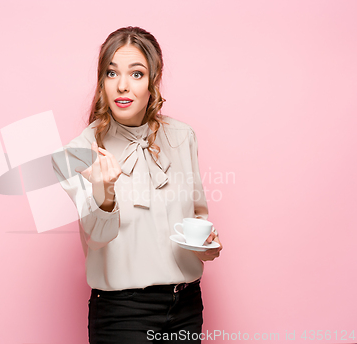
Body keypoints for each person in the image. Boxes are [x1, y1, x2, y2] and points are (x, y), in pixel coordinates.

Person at [51, 26, 223, 344]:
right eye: (112, 73)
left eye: (137, 74)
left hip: (186, 307)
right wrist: (105, 194)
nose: (123, 86)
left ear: (153, 82)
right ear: (101, 82)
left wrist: (208, 243)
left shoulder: (182, 136)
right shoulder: (79, 152)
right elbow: (97, 238)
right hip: (122, 313)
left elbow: (197, 214)